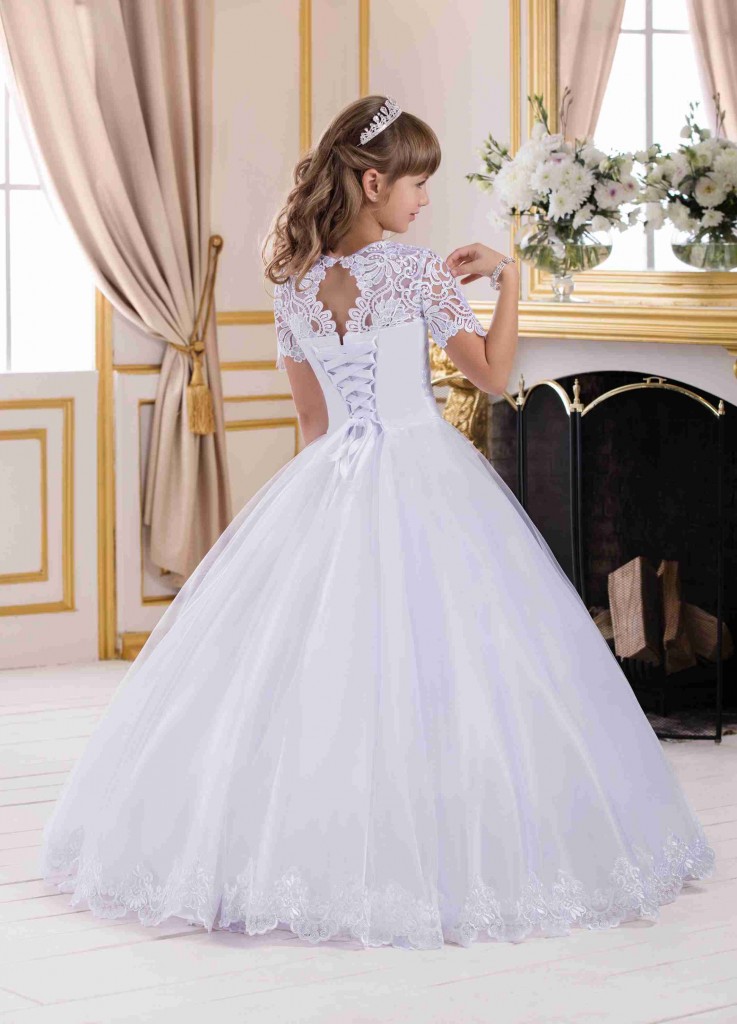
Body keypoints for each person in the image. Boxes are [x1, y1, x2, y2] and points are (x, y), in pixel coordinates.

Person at [40, 95, 715, 950]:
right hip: (423, 468)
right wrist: (507, 279)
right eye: (416, 183)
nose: (424, 200)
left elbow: (313, 426)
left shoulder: (294, 286)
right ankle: (440, 846)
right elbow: (495, 376)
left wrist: (319, 506)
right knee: (449, 666)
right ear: (371, 183)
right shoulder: (414, 271)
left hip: (327, 479)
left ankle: (293, 850)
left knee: (326, 668)